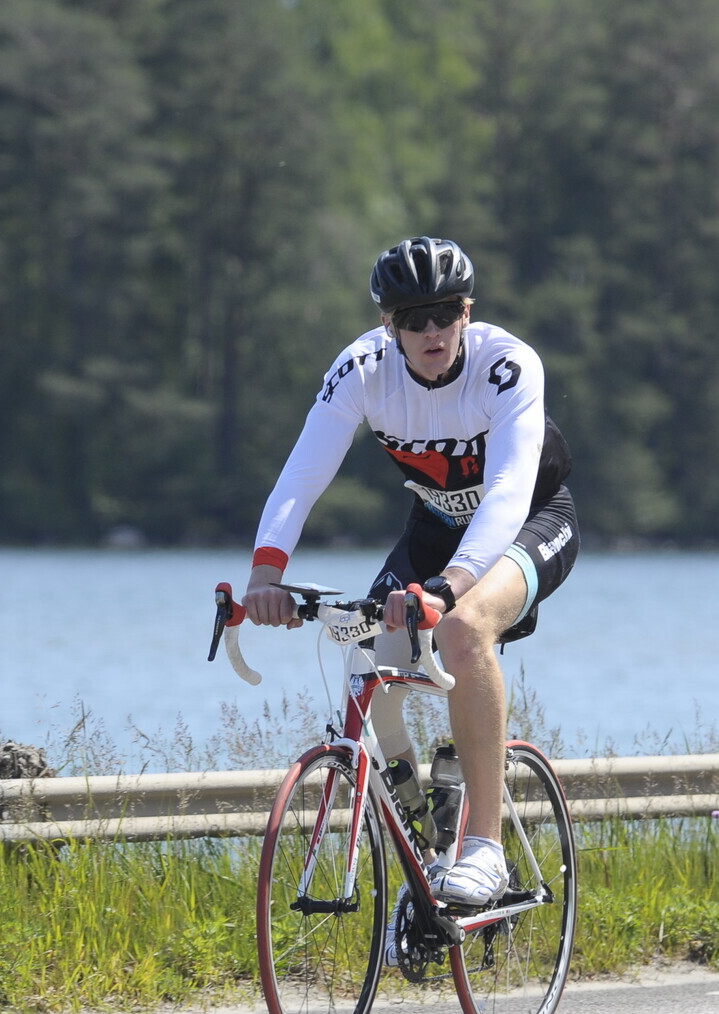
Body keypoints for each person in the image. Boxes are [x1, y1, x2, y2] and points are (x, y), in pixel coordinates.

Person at [240, 237, 579, 907]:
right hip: (435, 526)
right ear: (387, 324)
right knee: (367, 654)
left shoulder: (507, 365)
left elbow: (508, 492)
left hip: (529, 521)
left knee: (462, 629)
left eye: (445, 313)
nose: (432, 331)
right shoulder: (361, 369)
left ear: (467, 312)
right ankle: (426, 846)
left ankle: (484, 848)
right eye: (413, 318)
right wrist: (264, 576)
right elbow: (301, 477)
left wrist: (450, 588)